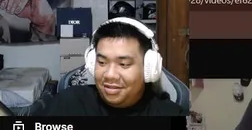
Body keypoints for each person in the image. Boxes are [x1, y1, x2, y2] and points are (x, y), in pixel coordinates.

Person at [25, 18, 185, 117]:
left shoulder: (170, 113)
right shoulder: (68, 102)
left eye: (124, 64)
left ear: (149, 68)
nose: (109, 75)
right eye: (101, 62)